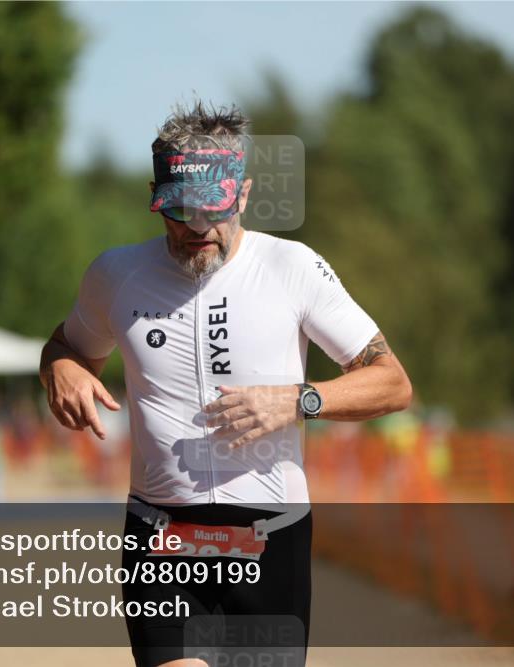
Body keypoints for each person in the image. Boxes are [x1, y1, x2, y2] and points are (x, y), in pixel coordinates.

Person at [39, 101, 412, 667]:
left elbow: (392, 383)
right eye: (177, 210)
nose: (195, 229)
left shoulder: (293, 267)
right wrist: (61, 368)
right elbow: (65, 345)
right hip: (160, 535)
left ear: (243, 194)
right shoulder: (115, 274)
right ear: (155, 196)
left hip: (270, 538)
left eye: (211, 211)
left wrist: (300, 400)